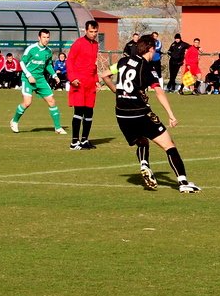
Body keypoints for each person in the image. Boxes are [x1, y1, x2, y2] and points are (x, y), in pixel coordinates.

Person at [101, 34, 200, 193]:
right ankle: (183, 182)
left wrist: (118, 92)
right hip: (139, 113)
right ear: (150, 49)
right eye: (155, 49)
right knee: (169, 145)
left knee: (142, 140)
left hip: (121, 114)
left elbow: (105, 75)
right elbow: (159, 92)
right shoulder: (147, 67)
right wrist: (170, 114)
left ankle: (144, 164)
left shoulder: (123, 61)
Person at [10, 29, 66, 134]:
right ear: (39, 37)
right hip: (28, 79)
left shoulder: (48, 51)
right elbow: (22, 63)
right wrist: (29, 75)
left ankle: (58, 128)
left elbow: (48, 65)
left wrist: (54, 75)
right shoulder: (31, 49)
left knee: (52, 101)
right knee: (27, 103)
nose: (46, 39)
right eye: (44, 37)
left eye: (47, 37)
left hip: (40, 79)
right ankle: (14, 121)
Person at [66, 20, 99, 150]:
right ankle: (74, 141)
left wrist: (96, 80)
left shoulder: (96, 44)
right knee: (79, 111)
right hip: (79, 82)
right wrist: (72, 78)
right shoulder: (78, 43)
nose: (93, 34)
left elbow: (94, 64)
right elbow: (70, 61)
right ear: (86, 31)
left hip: (90, 83)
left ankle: (84, 140)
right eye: (91, 31)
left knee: (89, 111)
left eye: (95, 32)